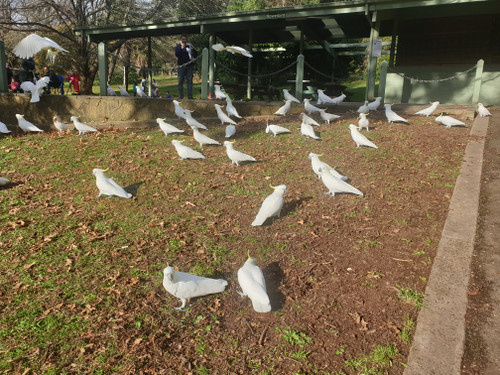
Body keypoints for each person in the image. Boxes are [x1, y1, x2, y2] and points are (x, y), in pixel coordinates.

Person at [175, 34, 197, 99]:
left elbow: (195, 55)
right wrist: (182, 48)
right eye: (183, 39)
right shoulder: (178, 46)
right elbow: (177, 54)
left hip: (189, 66)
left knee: (189, 81)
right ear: (181, 39)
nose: (184, 40)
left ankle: (190, 96)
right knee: (180, 81)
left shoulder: (190, 45)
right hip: (181, 66)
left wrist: (193, 49)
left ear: (186, 39)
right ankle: (180, 96)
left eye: (185, 39)